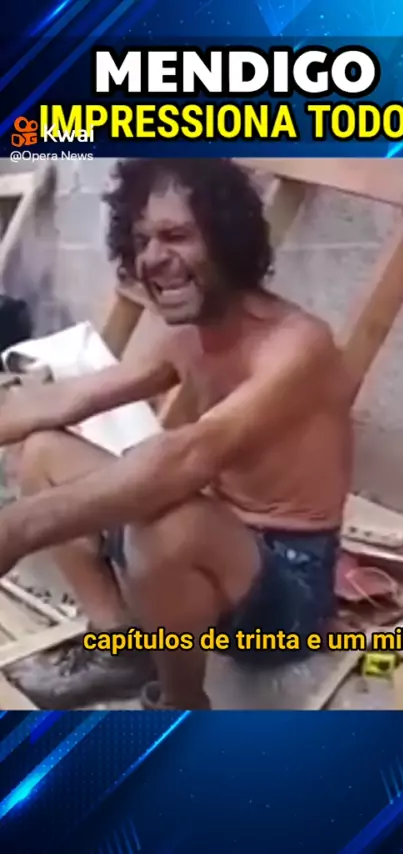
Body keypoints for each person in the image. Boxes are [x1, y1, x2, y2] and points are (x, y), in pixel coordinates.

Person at [0, 158, 353, 710]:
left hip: (288, 590)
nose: (152, 258)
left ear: (228, 241)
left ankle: (179, 705)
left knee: (164, 523)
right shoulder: (188, 338)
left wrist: (18, 529)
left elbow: (189, 456)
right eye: (142, 241)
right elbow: (67, 398)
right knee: (45, 452)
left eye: (176, 236)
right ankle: (119, 647)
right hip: (219, 541)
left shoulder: (297, 343)